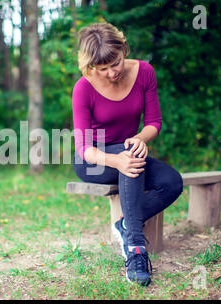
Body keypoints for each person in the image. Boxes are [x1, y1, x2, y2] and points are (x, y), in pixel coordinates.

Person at [71, 22, 183, 287]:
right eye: (103, 69)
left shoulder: (145, 72)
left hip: (130, 152)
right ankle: (135, 250)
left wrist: (140, 138)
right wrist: (117, 159)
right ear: (91, 67)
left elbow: (154, 122)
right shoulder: (83, 88)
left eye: (116, 63)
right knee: (128, 156)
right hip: (94, 161)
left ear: (124, 49)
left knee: (172, 182)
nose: (112, 73)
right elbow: (84, 149)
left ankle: (125, 225)